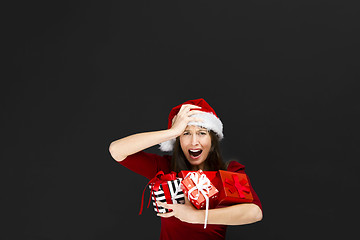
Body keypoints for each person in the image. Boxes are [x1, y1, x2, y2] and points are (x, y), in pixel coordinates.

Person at [109, 98, 263, 240]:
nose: (194, 142)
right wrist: (172, 132)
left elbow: (254, 212)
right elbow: (117, 150)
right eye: (186, 134)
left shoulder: (227, 171)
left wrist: (196, 216)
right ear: (178, 140)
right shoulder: (165, 168)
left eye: (202, 133)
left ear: (212, 139)